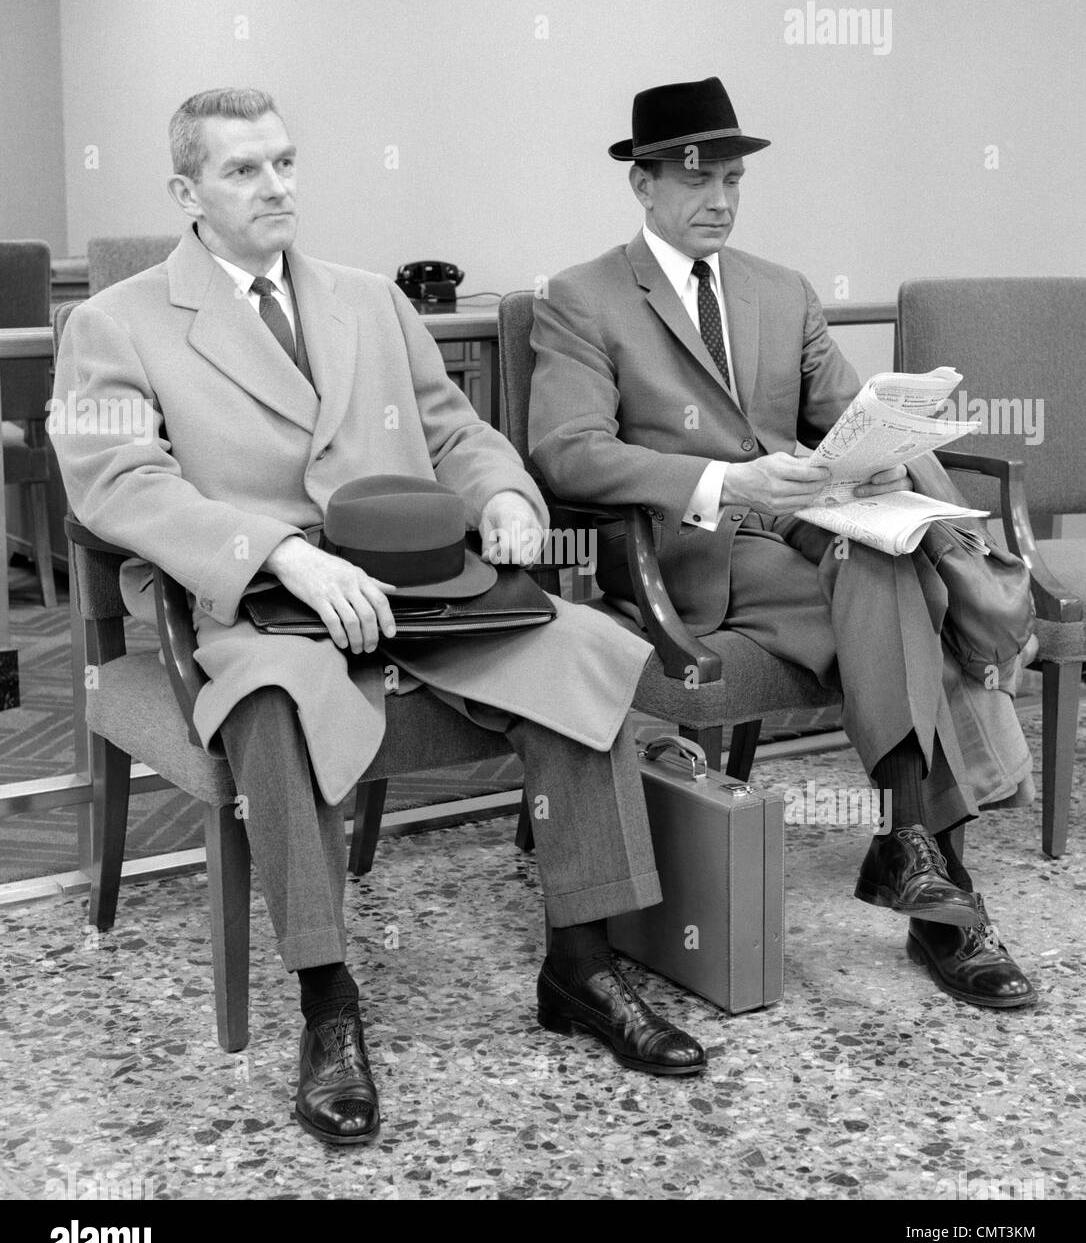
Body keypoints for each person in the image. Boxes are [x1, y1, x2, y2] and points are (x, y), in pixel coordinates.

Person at [51, 87, 709, 1150]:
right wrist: (281, 553)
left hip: (420, 589)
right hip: (256, 600)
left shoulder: (370, 299)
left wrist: (502, 495)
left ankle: (581, 964)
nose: (276, 186)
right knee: (272, 700)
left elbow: (456, 431)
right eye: (243, 170)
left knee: (586, 648)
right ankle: (328, 1001)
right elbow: (116, 485)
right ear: (186, 192)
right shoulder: (114, 321)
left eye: (285, 161)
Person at [529, 76, 1038, 1012]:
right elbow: (568, 453)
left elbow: (846, 412)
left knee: (889, 558)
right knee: (910, 597)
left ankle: (914, 857)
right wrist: (726, 482)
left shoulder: (780, 289)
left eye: (732, 180)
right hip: (696, 552)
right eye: (695, 180)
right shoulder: (582, 297)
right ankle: (941, 901)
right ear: (642, 184)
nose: (719, 199)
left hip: (815, 529)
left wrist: (883, 457)